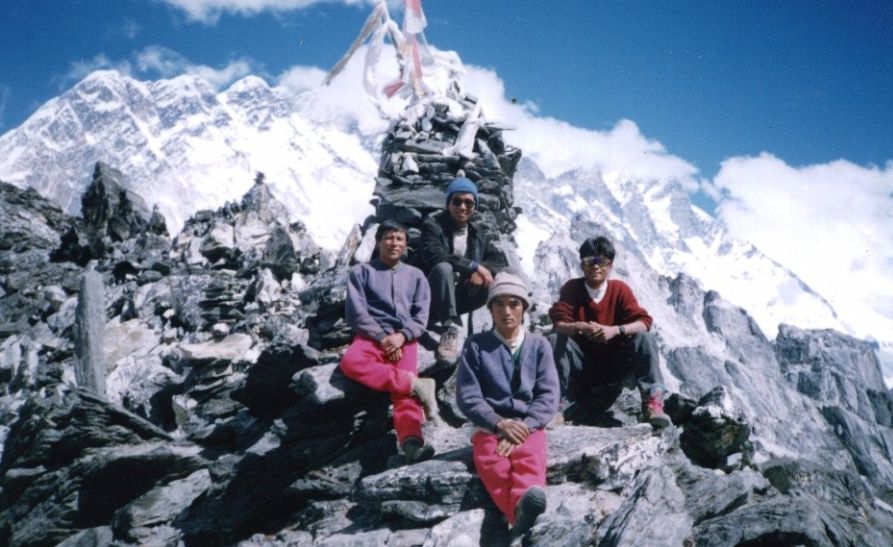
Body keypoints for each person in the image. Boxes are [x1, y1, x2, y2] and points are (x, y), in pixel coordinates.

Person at [456, 272, 559, 535]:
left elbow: (548, 394)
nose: (506, 311)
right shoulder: (475, 346)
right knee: (492, 462)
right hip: (491, 425)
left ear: (524, 308)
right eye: (498, 304)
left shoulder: (539, 346)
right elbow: (469, 395)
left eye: (514, 304)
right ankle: (520, 514)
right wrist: (499, 423)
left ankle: (524, 504)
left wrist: (525, 426)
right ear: (490, 309)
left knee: (530, 457)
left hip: (529, 425)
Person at [340, 220, 440, 463]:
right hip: (371, 336)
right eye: (389, 238)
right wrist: (384, 338)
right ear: (378, 241)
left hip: (404, 339)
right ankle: (414, 383)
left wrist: (401, 336)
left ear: (406, 245)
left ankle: (412, 445)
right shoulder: (361, 273)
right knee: (351, 362)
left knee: (404, 397)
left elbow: (420, 316)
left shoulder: (416, 277)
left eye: (400, 239)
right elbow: (356, 313)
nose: (394, 243)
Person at [548, 236, 671, 428]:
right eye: (590, 261)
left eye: (602, 261)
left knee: (645, 339)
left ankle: (652, 403)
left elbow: (644, 323)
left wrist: (615, 330)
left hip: (615, 366)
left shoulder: (620, 290)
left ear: (610, 265)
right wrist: (579, 327)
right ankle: (554, 405)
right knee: (556, 339)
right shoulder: (572, 288)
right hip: (582, 366)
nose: (596, 267)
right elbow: (558, 323)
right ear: (582, 265)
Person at [419, 176, 507, 362]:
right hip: (432, 295)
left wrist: (481, 272)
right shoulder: (433, 225)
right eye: (457, 201)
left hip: (462, 295)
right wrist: (475, 266)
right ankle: (449, 328)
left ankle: (501, 331)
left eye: (469, 203)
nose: (463, 207)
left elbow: (498, 258)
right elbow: (436, 256)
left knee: (494, 280)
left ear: (474, 207)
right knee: (443, 268)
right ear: (448, 204)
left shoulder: (477, 232)